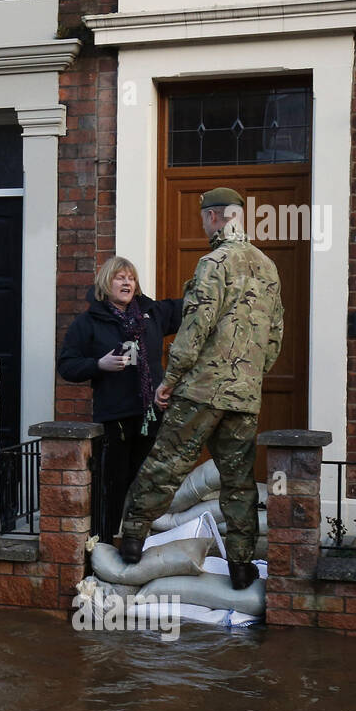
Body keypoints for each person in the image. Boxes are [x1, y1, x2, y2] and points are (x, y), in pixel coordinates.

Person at [119, 187, 285, 589]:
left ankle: (131, 542)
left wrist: (171, 378)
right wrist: (250, 376)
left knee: (167, 463)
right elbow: (276, 335)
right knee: (239, 481)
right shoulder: (268, 267)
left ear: (213, 217)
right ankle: (242, 566)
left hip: (202, 391)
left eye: (202, 218)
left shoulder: (213, 263)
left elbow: (195, 328)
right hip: (244, 395)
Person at [57, 257, 182, 541]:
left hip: (151, 415)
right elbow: (66, 364)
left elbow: (191, 306)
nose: (127, 283)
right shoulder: (88, 322)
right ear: (106, 282)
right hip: (114, 419)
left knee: (148, 485)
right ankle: (106, 544)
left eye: (131, 278)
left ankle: (141, 542)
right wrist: (99, 365)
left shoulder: (152, 313)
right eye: (120, 278)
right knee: (114, 486)